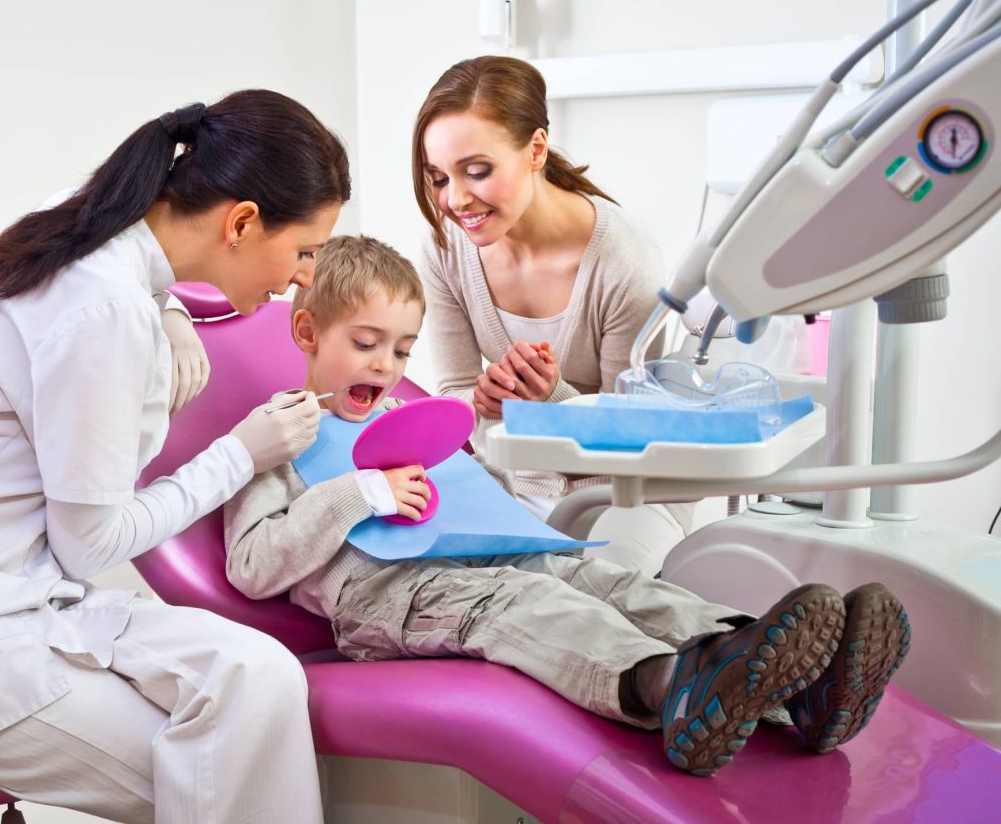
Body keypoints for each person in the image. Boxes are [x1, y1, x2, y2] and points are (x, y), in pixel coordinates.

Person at [0, 92, 350, 824]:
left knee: (260, 675)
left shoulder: (90, 219)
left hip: (0, 597)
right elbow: (89, 543)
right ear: (241, 222)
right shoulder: (105, 311)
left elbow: (127, 275)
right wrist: (239, 455)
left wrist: (169, 311)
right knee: (239, 773)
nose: (303, 277)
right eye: (304, 251)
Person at [223, 235, 911, 776]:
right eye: (365, 344)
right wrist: (358, 492)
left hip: (487, 557)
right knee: (532, 608)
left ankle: (795, 686)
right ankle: (672, 688)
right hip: (386, 596)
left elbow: (464, 497)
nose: (386, 366)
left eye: (402, 350)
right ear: (309, 333)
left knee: (605, 581)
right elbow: (252, 565)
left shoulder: (405, 413)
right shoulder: (278, 434)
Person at [412, 55, 690, 574]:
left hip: (627, 492)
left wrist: (549, 400)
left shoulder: (624, 260)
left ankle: (723, 647)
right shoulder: (446, 250)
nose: (456, 199)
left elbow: (633, 437)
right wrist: (481, 402)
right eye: (439, 178)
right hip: (520, 480)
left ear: (535, 149)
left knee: (589, 589)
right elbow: (451, 391)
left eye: (477, 171)